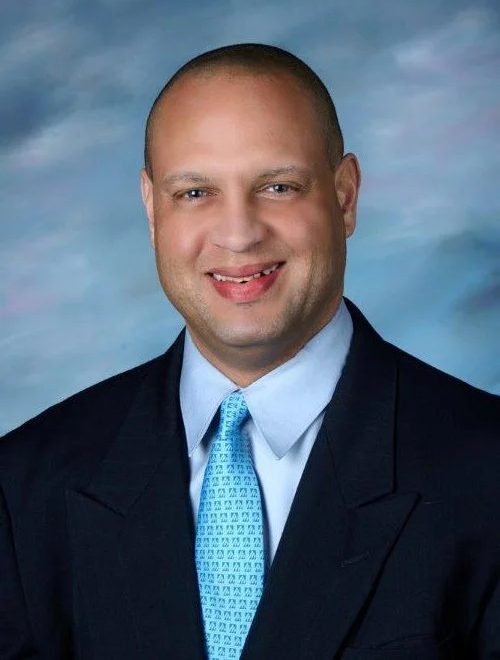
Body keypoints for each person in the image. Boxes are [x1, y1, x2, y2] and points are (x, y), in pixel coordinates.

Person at [0, 43, 499, 660]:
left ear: (345, 196)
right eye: (195, 192)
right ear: (152, 208)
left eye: (278, 186)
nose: (238, 234)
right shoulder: (24, 485)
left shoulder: (486, 473)